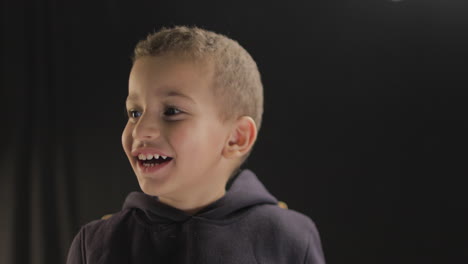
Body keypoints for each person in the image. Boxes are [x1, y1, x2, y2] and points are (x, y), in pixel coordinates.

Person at [66, 25, 326, 264]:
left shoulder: (288, 238)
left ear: (237, 138)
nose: (141, 130)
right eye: (135, 112)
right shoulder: (96, 243)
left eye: (172, 111)